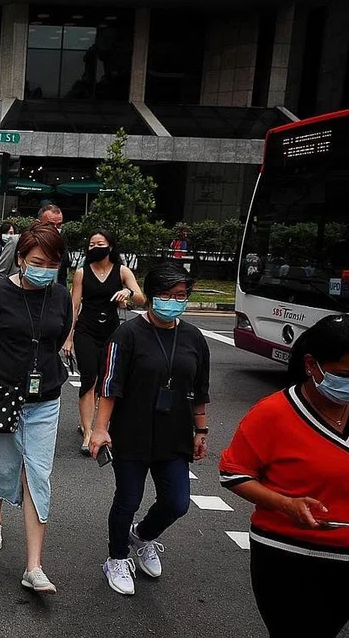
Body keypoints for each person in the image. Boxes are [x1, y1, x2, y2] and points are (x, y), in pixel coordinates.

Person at [220, 315, 348, 638]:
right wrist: (286, 504)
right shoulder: (273, 413)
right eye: (344, 375)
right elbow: (233, 474)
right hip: (290, 560)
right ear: (311, 365)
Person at [88, 262, 211, 597]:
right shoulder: (126, 335)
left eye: (181, 296)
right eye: (166, 295)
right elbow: (110, 386)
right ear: (151, 296)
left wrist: (201, 431)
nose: (173, 302)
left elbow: (200, 389)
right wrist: (99, 429)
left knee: (177, 502)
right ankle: (116, 557)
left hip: (175, 433)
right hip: (133, 431)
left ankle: (142, 535)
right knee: (128, 498)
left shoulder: (193, 337)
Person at [0, 223, 73, 593]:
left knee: (38, 475)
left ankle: (34, 566)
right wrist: (0, 370)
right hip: (0, 393)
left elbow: (58, 336)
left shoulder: (59, 296)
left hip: (45, 398)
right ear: (22, 258)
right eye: (38, 261)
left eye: (53, 263)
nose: (45, 268)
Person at [66, 230, 145, 453]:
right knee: (89, 379)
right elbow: (74, 306)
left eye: (100, 243)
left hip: (112, 332)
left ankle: (99, 425)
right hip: (85, 331)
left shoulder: (122, 271)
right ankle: (88, 432)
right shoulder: (82, 273)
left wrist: (127, 292)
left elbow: (141, 298)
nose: (95, 247)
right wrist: (68, 338)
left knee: (105, 382)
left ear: (110, 247)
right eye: (91, 244)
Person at [0, 204, 70, 286]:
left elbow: (62, 278)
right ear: (38, 223)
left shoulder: (60, 245)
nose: (55, 229)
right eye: (50, 224)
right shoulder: (17, 241)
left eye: (59, 225)